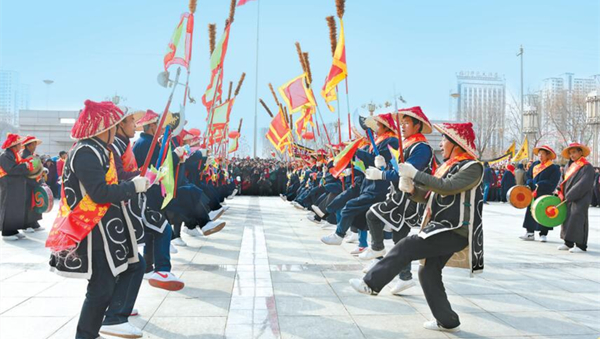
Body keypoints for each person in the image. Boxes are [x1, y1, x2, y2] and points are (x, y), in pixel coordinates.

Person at [349, 122, 484, 333]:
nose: (440, 145)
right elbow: (431, 195)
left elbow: (448, 188)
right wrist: (413, 190)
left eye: (443, 140)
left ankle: (371, 283)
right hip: (441, 227)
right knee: (427, 272)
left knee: (408, 245)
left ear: (456, 143)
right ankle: (447, 321)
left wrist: (415, 174)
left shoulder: (472, 167)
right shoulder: (447, 166)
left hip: (455, 229)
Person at [45, 100, 149, 339]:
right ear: (106, 128)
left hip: (107, 228)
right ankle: (99, 327)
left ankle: (107, 322)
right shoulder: (85, 153)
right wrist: (131, 188)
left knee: (132, 266)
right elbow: (100, 193)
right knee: (101, 287)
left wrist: (134, 184)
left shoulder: (98, 150)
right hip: (93, 230)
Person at [361, 106, 435, 295]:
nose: (402, 127)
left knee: (373, 214)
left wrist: (382, 174)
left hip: (409, 198)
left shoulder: (422, 148)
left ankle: (377, 249)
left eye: (407, 123)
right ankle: (405, 277)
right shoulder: (408, 145)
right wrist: (383, 165)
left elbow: (406, 172)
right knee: (399, 238)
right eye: (401, 123)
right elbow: (397, 168)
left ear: (418, 125)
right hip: (399, 195)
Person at [321, 113, 399, 245]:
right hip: (368, 184)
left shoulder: (391, 141)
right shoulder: (380, 140)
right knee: (365, 220)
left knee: (349, 206)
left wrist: (355, 150)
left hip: (378, 187)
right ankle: (374, 251)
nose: (375, 127)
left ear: (386, 127)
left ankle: (338, 234)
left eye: (378, 124)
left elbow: (375, 161)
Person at [557, 143, 595, 253]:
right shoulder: (568, 166)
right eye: (570, 153)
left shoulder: (587, 167)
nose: (572, 155)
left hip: (580, 198)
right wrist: (559, 190)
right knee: (567, 219)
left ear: (580, 152)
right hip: (567, 197)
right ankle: (568, 242)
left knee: (578, 219)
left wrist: (570, 194)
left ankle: (581, 245)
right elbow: (562, 180)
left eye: (574, 152)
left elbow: (584, 184)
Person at [520, 145, 560, 242]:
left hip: (544, 193)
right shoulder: (534, 165)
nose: (540, 156)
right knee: (530, 212)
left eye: (542, 154)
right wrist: (529, 183)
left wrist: (540, 184)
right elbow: (528, 176)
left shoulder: (553, 168)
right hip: (533, 193)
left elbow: (553, 182)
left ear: (548, 155)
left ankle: (543, 234)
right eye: (539, 154)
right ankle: (530, 233)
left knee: (544, 213)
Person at [0, 133, 34, 240]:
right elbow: (11, 169)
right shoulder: (5, 155)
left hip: (15, 185)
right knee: (9, 207)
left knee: (15, 208)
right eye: (19, 144)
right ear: (14, 146)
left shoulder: (14, 154)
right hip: (9, 186)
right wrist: (25, 165)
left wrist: (25, 164)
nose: (21, 145)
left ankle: (13, 230)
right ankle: (7, 232)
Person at [20, 136, 45, 233]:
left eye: (35, 144)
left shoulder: (33, 155)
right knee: (28, 204)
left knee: (35, 203)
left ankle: (34, 223)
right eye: (33, 144)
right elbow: (25, 171)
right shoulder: (23, 156)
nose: (35, 146)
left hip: (34, 182)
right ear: (28, 145)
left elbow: (37, 169)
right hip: (27, 183)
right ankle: (26, 225)